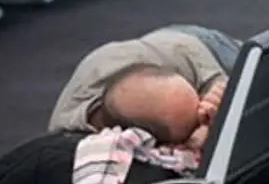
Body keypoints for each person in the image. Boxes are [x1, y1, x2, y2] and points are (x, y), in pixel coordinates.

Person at [48, 25, 240, 150]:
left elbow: (229, 91)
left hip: (199, 45)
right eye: (190, 126)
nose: (200, 113)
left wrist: (216, 98)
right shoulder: (66, 137)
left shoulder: (174, 56)